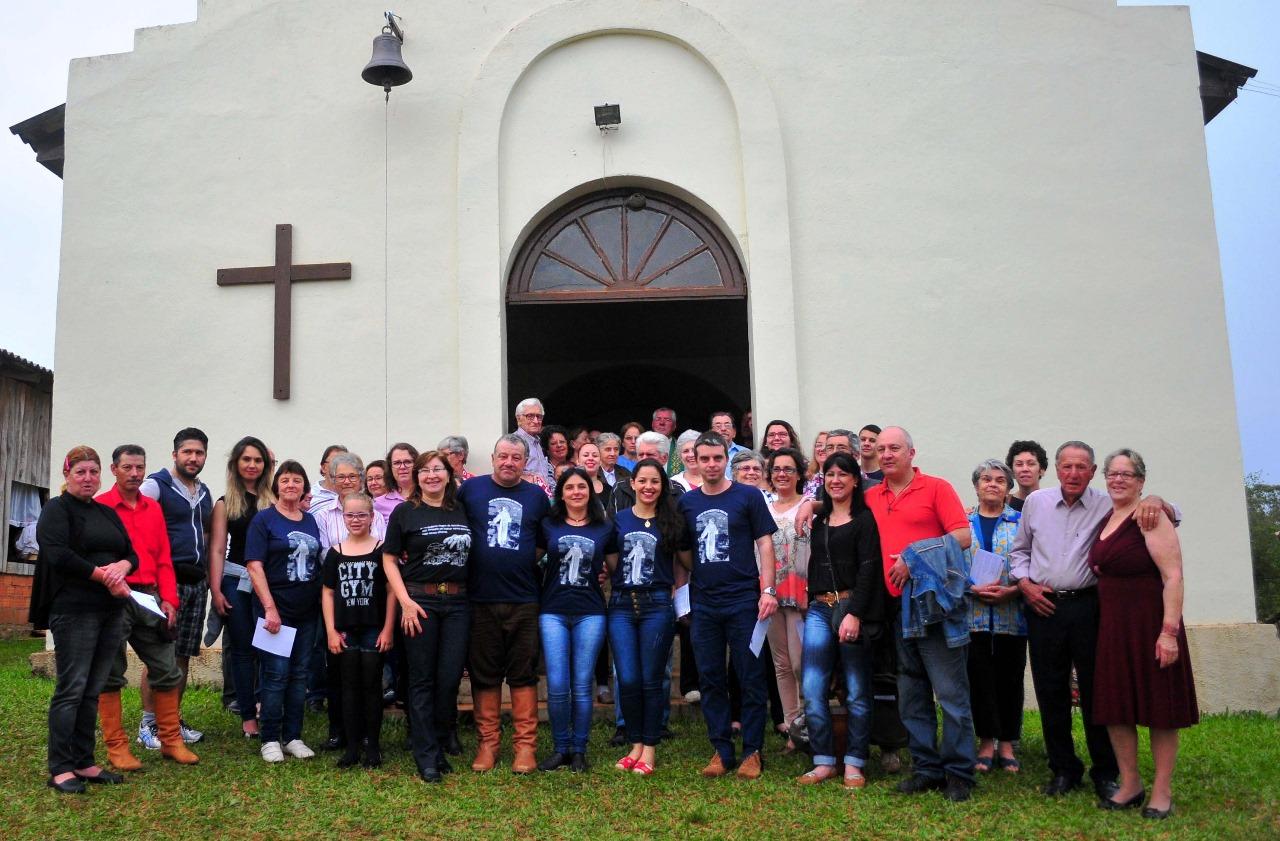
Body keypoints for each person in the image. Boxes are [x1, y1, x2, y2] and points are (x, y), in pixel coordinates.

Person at [1009, 440, 1176, 800]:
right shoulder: (1036, 503)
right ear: (1055, 469)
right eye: (1067, 466)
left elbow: (1168, 513)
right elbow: (1019, 551)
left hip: (1091, 607)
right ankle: (1063, 769)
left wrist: (1156, 499)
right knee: (1050, 690)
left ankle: (1106, 771)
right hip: (1043, 606)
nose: (1073, 473)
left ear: (1092, 471)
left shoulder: (1107, 501)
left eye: (1081, 467)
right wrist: (1025, 584)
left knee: (1099, 692)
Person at [864, 427, 976, 802]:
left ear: (912, 452)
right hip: (894, 607)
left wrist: (914, 558)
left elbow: (962, 536)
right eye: (881, 449)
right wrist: (812, 508)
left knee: (949, 692)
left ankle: (959, 773)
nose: (887, 454)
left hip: (933, 605)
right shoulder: (872, 496)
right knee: (910, 692)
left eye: (894, 448)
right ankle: (927, 769)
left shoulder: (936, 488)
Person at [1090, 449, 1196, 819]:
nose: (1118, 479)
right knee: (1117, 707)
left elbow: (1173, 576)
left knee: (1159, 709)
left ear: (1141, 481)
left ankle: (1162, 791)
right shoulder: (1107, 516)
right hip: (1113, 626)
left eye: (1127, 474)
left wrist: (1168, 632)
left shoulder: (1149, 516)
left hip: (1150, 623)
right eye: (1112, 473)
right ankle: (1131, 783)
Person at [679, 432, 779, 780]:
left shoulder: (748, 497)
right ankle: (721, 749)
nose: (710, 464)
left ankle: (752, 751)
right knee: (710, 678)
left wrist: (767, 589)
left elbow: (765, 544)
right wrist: (683, 599)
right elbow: (682, 553)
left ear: (726, 460)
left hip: (743, 602)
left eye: (716, 458)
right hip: (704, 603)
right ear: (694, 460)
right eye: (704, 458)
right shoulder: (687, 503)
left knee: (749, 676)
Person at [37, 446, 136, 793]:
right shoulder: (56, 509)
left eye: (93, 472)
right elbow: (57, 553)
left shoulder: (106, 513)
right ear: (67, 475)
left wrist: (122, 567)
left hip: (110, 611)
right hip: (73, 610)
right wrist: (101, 575)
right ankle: (61, 767)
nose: (88, 478)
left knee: (93, 689)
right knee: (72, 688)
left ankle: (84, 761)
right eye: (80, 472)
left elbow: (130, 553)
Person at [97, 444, 199, 771]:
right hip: (111, 598)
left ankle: (171, 741)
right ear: (114, 469)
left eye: (140, 468)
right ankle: (117, 748)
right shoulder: (100, 507)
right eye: (127, 467)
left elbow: (164, 558)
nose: (135, 474)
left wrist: (169, 599)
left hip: (148, 597)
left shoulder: (152, 508)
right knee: (111, 673)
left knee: (166, 668)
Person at [456, 434, 551, 773]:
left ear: (525, 462)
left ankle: (525, 747)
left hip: (523, 598)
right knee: (485, 673)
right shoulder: (470, 491)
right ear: (493, 458)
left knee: (523, 673)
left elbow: (542, 543)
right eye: (503, 456)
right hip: (480, 598)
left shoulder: (537, 497)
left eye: (516, 457)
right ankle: (488, 744)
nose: (509, 462)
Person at [383, 450, 473, 782]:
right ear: (417, 477)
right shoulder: (405, 513)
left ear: (450, 475)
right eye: (425, 470)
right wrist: (405, 601)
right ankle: (427, 756)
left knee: (449, 679)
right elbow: (390, 559)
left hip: (458, 604)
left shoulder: (461, 510)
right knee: (421, 680)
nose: (431, 475)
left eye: (438, 470)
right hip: (419, 602)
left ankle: (438, 741)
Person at [796, 451, 885, 788]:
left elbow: (868, 570)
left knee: (857, 689)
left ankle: (854, 763)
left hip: (851, 607)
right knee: (813, 687)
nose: (835, 480)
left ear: (854, 480)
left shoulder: (865, 520)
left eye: (843, 474)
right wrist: (812, 504)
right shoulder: (819, 521)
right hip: (819, 608)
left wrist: (855, 614)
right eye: (830, 474)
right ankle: (823, 761)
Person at [607, 459, 689, 775]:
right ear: (632, 484)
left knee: (651, 678)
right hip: (622, 605)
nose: (648, 487)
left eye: (655, 481)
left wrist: (675, 586)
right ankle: (635, 743)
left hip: (657, 604)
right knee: (627, 678)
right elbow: (613, 561)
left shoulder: (671, 521)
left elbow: (686, 562)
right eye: (643, 481)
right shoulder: (619, 520)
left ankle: (650, 749)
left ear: (662, 486)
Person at [536, 468, 615, 772]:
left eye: (582, 487)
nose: (577, 492)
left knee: (582, 684)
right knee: (557, 684)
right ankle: (561, 748)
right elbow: (531, 557)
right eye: (570, 487)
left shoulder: (604, 527)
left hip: (590, 612)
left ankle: (579, 749)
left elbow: (615, 567)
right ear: (562, 493)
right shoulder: (549, 524)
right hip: (553, 609)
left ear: (590, 491)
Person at [244, 460, 324, 763]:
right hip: (274, 611)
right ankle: (269, 738)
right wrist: (269, 609)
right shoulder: (264, 520)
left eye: (297, 480)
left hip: (307, 611)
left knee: (300, 675)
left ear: (304, 486)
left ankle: (293, 736)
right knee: (276, 675)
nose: (291, 485)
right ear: (277, 485)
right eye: (286, 480)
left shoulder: (310, 521)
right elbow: (254, 566)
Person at [139, 427, 212, 750]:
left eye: (199, 453)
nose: (193, 458)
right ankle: (148, 723)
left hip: (196, 583)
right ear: (175, 454)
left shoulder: (204, 492)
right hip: (165, 583)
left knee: (183, 655)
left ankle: (171, 720)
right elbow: (134, 521)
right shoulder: (156, 485)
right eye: (187, 452)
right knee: (159, 655)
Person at [312, 452, 387, 749]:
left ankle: (368, 737)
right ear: (331, 479)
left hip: (370, 606)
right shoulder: (322, 515)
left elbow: (382, 559)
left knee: (368, 677)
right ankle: (338, 731)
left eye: (352, 476)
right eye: (340, 476)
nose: (346, 481)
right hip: (338, 600)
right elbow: (323, 556)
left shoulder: (376, 515)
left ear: (361, 478)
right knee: (338, 675)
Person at [321, 492, 394, 769]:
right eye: (349, 515)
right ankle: (352, 747)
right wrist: (330, 630)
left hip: (374, 629)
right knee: (348, 688)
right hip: (345, 631)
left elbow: (390, 593)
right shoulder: (335, 553)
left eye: (361, 515)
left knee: (372, 687)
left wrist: (388, 629)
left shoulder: (382, 551)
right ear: (343, 517)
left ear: (372, 517)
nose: (355, 520)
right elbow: (327, 594)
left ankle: (372, 747)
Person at [208, 435, 274, 739]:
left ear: (265, 465)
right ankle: (248, 715)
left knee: (269, 648)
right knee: (244, 650)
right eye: (246, 459)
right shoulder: (225, 503)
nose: (252, 465)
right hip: (235, 581)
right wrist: (216, 590)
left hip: (269, 583)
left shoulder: (273, 501)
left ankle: (267, 706)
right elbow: (218, 550)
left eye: (257, 460)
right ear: (236, 463)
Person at [963, 459, 1027, 774]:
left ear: (1008, 488)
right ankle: (986, 741)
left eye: (1000, 480)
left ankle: (1007, 742)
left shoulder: (1021, 522)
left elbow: (1033, 562)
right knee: (980, 679)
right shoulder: (962, 522)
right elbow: (951, 564)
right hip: (972, 616)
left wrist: (1013, 591)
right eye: (986, 479)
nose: (992, 484)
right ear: (976, 486)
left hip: (1011, 615)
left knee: (1010, 679)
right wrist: (969, 587)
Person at [764, 447, 809, 753]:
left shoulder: (809, 505)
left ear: (798, 474)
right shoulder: (763, 508)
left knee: (799, 663)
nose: (782, 474)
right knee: (780, 664)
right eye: (777, 469)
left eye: (788, 469)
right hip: (770, 594)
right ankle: (793, 731)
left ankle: (810, 725)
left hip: (800, 595)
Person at [513, 397, 553, 486]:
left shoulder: (537, 442)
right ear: (519, 418)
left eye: (539, 417)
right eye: (530, 416)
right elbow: (508, 473)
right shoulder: (514, 442)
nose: (536, 421)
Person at [378, 442, 419, 519]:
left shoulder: (428, 497)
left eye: (407, 462)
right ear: (390, 467)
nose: (402, 467)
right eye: (397, 463)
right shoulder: (378, 504)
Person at [1005, 440, 1048, 512]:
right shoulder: (1003, 503)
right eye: (1019, 464)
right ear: (1012, 471)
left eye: (1031, 464)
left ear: (1042, 470)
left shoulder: (1051, 504)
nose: (1025, 469)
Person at [310, 444, 349, 516]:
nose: (340, 467)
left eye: (344, 463)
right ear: (323, 467)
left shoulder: (354, 493)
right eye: (335, 463)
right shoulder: (311, 495)